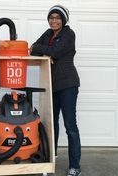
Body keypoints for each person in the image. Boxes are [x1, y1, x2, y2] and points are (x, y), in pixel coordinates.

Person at [30, 4, 81, 176]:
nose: (54, 21)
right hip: (52, 84)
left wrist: (49, 53)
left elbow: (57, 52)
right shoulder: (48, 34)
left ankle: (75, 166)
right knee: (52, 124)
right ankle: (53, 156)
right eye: (51, 17)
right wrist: (47, 53)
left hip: (68, 84)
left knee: (70, 126)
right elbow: (33, 48)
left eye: (57, 17)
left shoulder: (69, 34)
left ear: (63, 19)